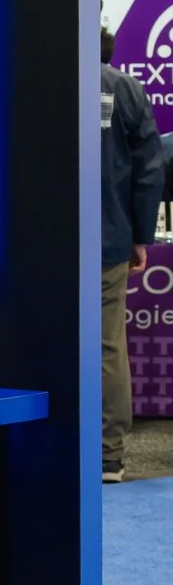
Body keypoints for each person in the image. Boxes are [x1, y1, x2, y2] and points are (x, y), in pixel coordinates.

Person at [103, 25, 164, 482]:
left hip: (41, 244)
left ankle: (45, 445)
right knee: (106, 345)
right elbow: (149, 170)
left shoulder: (36, 79)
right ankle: (107, 455)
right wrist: (142, 234)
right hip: (108, 240)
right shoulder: (126, 89)